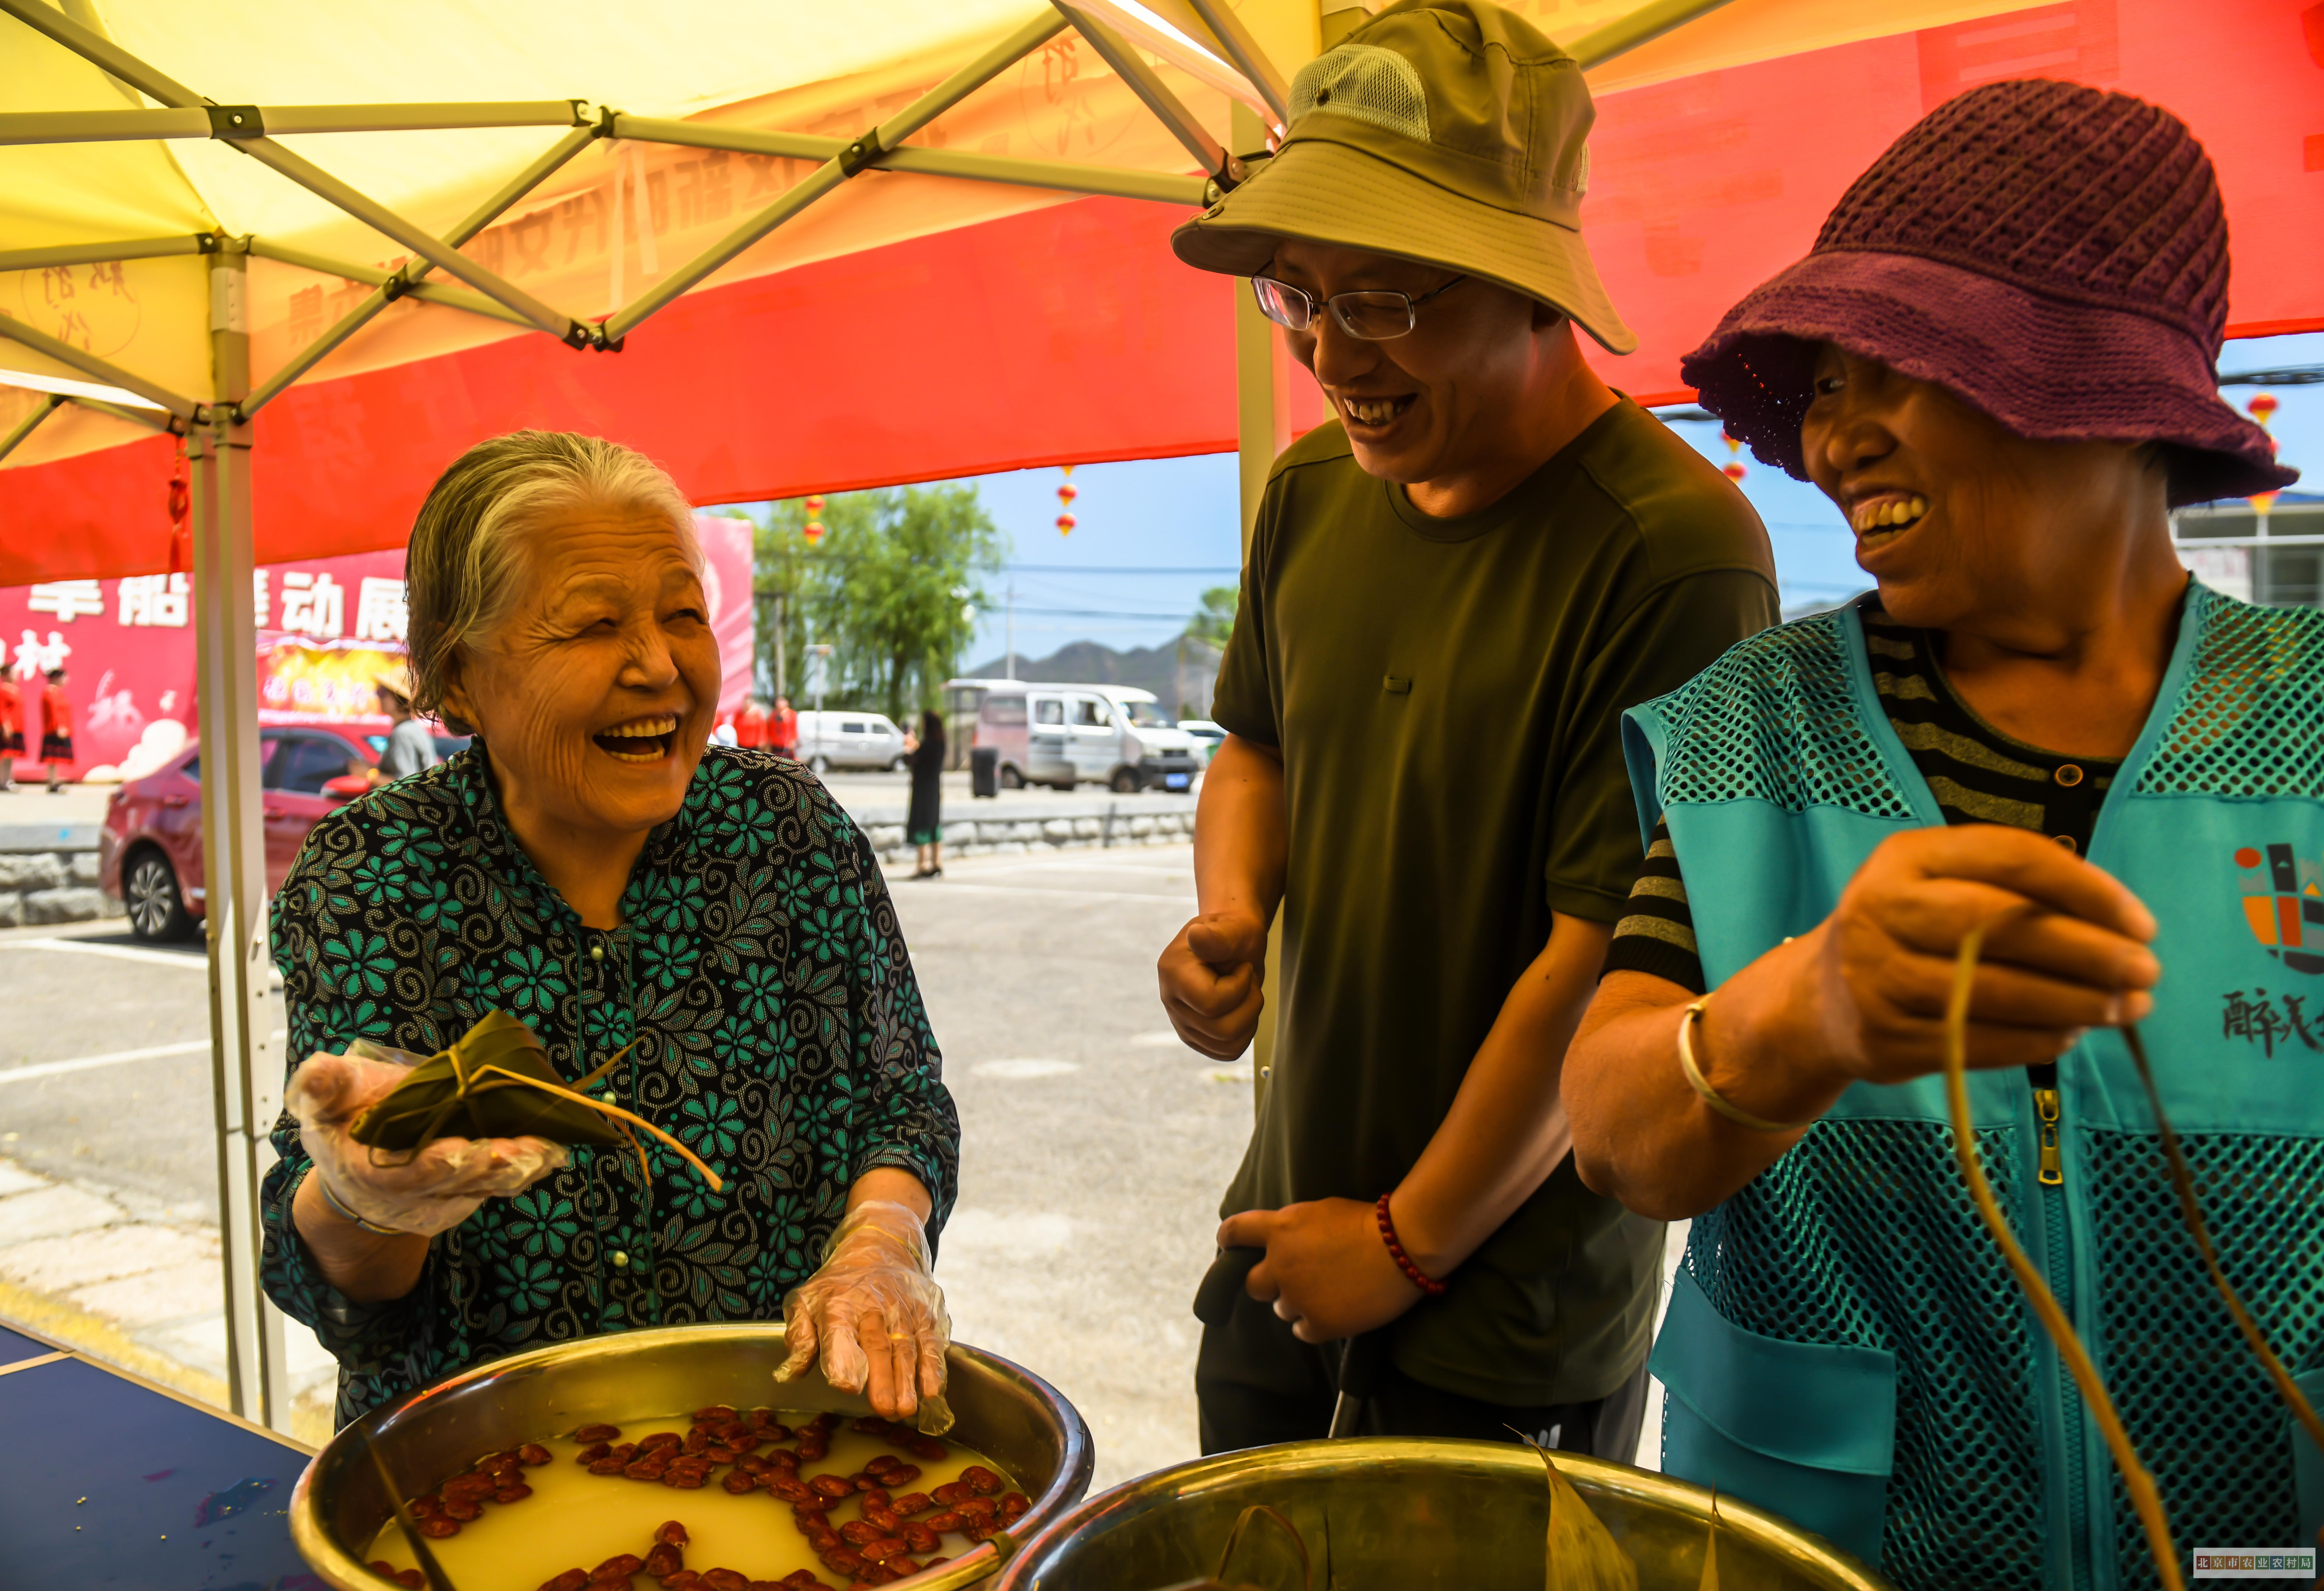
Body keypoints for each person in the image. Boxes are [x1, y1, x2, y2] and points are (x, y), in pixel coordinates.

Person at [1563, 81, 2310, 1583]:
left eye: (1894, 369)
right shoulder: (1754, 725)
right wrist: (1803, 1011)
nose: (1838, 437)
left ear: (2109, 397)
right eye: (1822, 386)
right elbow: (1613, 1126)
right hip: (1827, 1540)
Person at [1154, 0, 1777, 1458]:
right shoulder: (1313, 492)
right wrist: (1230, 906)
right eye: (1299, 294)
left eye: (1387, 297)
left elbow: (1607, 950)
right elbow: (1257, 741)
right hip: (1284, 1220)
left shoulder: (1673, 548)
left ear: (1532, 285)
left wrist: (1407, 1238)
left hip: (1501, 1296)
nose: (1329, 352)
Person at [259, 431, 960, 1427]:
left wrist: (883, 1238)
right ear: (460, 679)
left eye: (684, 615)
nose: (658, 666)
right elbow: (337, 1279)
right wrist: (374, 1196)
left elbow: (901, 1096)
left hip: (777, 1447)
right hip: (482, 1471)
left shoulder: (792, 833)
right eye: (592, 626)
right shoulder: (377, 873)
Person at [364, 663, 440, 786]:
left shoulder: (403, 733)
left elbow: (405, 787)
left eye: (383, 692)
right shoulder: (412, 729)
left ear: (399, 698)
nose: (379, 697)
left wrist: (370, 774)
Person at [905, 709, 946, 880]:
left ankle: (922, 865)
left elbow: (910, 760)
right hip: (935, 789)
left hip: (922, 790)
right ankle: (937, 863)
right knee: (934, 823)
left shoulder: (927, 745)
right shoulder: (941, 744)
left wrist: (910, 746)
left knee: (922, 823)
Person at [38, 666, 72, 793]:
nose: (67, 680)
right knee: (52, 758)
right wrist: (59, 727)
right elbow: (54, 712)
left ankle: (55, 781)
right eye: (64, 677)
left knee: (56, 758)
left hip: (61, 729)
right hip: (54, 730)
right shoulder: (49, 693)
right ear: (56, 678)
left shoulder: (57, 692)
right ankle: (52, 783)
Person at [0, 662, 21, 792]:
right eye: (14, 672)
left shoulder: (15, 690)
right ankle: (3, 780)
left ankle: (8, 780)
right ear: (7, 674)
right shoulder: (3, 689)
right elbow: (2, 709)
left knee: (10, 755)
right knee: (5, 755)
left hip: (16, 727)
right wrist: (6, 725)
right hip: (6, 728)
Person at [768, 695, 799, 760]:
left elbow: (794, 729)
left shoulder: (792, 714)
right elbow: (770, 729)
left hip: (787, 745)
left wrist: (793, 741)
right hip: (775, 745)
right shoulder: (773, 715)